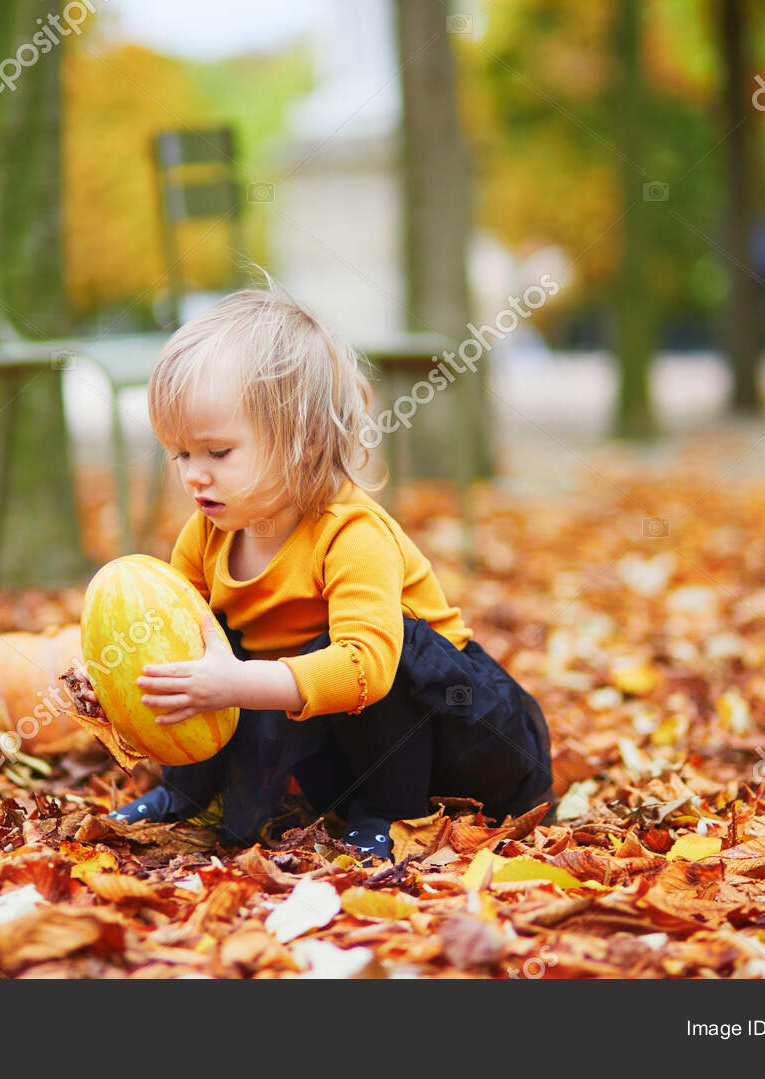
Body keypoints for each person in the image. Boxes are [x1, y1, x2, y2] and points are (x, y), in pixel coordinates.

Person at [106, 284, 557, 860]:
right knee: (209, 648)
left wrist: (238, 683)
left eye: (217, 453)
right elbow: (179, 642)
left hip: (447, 728)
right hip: (332, 730)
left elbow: (366, 668)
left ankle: (390, 815)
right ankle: (183, 795)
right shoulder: (205, 536)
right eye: (180, 454)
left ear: (303, 441)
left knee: (388, 650)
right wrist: (121, 677)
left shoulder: (350, 534)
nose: (194, 475)